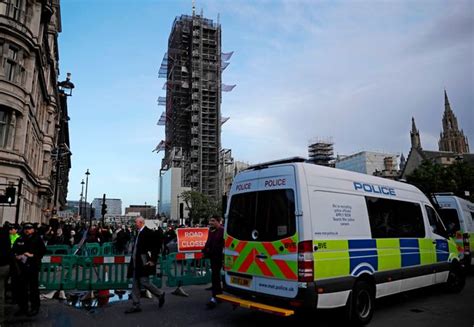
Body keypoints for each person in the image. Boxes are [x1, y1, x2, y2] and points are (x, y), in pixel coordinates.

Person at [124, 217, 165, 314]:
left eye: (136, 222)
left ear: (141, 223)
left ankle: (160, 293)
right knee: (135, 284)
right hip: (136, 262)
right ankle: (136, 305)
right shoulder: (139, 232)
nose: (135, 224)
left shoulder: (147, 232)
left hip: (142, 262)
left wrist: (152, 260)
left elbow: (155, 246)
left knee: (144, 281)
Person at [11, 223, 46, 317]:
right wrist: (16, 255)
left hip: (33, 266)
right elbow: (14, 249)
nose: (27, 230)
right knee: (22, 288)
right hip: (21, 267)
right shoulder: (20, 238)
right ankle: (23, 307)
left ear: (33, 230)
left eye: (29, 228)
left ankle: (35, 307)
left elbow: (43, 251)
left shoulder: (37, 239)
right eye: (26, 228)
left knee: (33, 288)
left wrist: (33, 255)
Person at [202, 215, 224, 309]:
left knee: (215, 276)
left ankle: (215, 297)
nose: (210, 222)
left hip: (220, 257)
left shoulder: (223, 231)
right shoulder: (211, 231)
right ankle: (217, 295)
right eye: (210, 220)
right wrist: (204, 250)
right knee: (215, 276)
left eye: (213, 221)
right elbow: (208, 242)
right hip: (213, 257)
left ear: (219, 222)